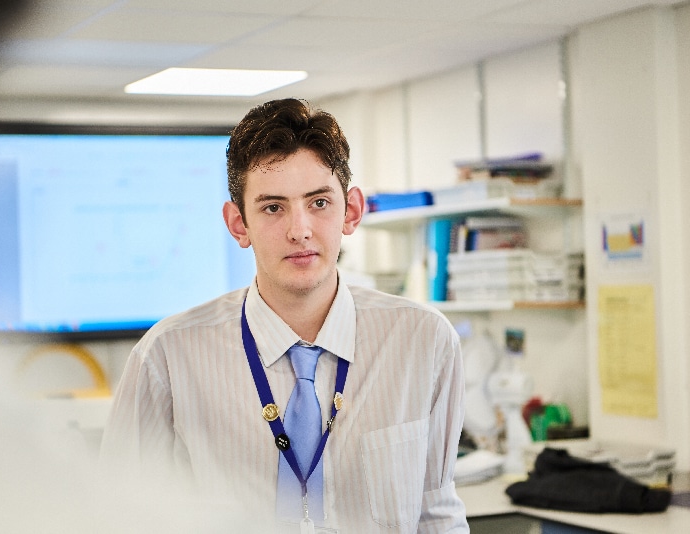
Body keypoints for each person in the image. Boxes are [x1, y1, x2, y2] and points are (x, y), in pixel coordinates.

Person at [100, 98, 468, 533]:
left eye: (318, 203)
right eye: (273, 207)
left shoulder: (423, 341)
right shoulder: (167, 356)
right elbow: (119, 518)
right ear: (239, 224)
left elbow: (435, 512)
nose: (300, 230)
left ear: (350, 211)